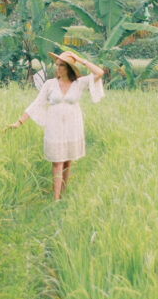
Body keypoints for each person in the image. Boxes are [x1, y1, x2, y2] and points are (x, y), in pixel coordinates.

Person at [6, 51, 105, 201]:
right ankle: (56, 199)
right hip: (55, 127)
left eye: (62, 66)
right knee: (57, 162)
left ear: (69, 68)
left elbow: (100, 72)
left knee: (67, 161)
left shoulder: (79, 83)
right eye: (57, 65)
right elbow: (37, 103)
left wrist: (80, 59)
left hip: (73, 126)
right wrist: (19, 122)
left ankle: (63, 193)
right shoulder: (50, 84)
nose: (58, 68)